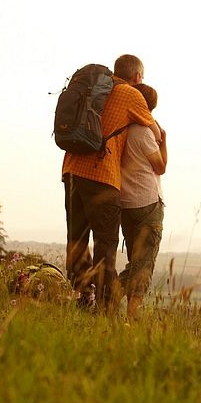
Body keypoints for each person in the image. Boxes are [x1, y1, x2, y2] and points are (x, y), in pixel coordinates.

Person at [62, 54, 161, 313]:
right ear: (138, 77)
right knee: (105, 243)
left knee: (77, 239)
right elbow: (155, 132)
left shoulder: (95, 88)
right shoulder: (131, 95)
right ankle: (105, 307)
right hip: (102, 174)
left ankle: (83, 297)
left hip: (72, 169)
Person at [119, 83, 166, 318]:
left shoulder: (121, 129)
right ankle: (130, 313)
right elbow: (161, 167)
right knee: (144, 263)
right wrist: (164, 141)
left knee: (135, 260)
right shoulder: (145, 132)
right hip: (147, 201)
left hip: (124, 203)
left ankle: (104, 299)